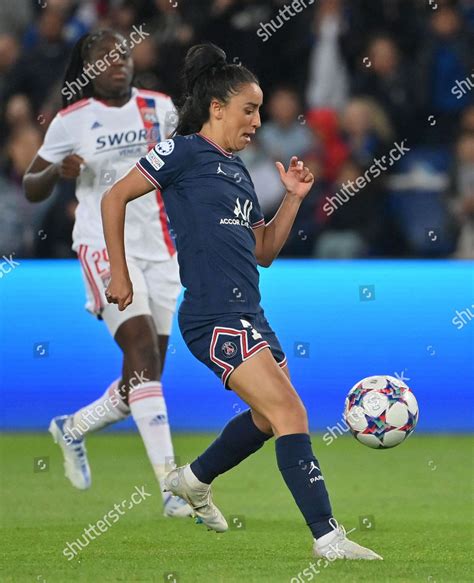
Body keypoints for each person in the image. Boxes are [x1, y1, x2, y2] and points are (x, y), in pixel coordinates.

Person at [101, 43, 382, 559]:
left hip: (250, 313)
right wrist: (120, 272)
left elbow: (265, 251)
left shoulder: (238, 173)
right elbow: (113, 196)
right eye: (248, 109)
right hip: (212, 316)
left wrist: (293, 198)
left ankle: (192, 480)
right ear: (216, 107)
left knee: (267, 417)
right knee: (291, 412)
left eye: (258, 109)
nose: (256, 120)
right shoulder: (183, 152)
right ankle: (328, 538)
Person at [23, 29, 191, 518]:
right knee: (139, 348)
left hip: (160, 249)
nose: (117, 61)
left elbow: (190, 158)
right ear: (89, 67)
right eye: (104, 56)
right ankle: (170, 488)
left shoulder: (160, 109)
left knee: (146, 372)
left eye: (123, 53)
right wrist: (58, 172)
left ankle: (73, 426)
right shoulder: (71, 121)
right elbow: (31, 185)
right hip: (101, 243)